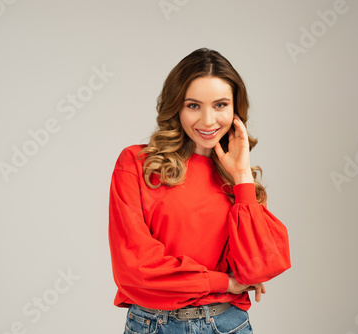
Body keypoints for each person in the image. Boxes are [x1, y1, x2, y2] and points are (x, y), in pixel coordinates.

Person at [108, 48, 291, 334]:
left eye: (220, 105)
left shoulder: (242, 185)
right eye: (193, 105)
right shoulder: (138, 164)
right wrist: (224, 283)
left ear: (235, 110)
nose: (207, 121)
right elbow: (136, 270)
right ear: (176, 106)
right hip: (154, 325)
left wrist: (241, 176)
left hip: (227, 325)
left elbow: (259, 268)